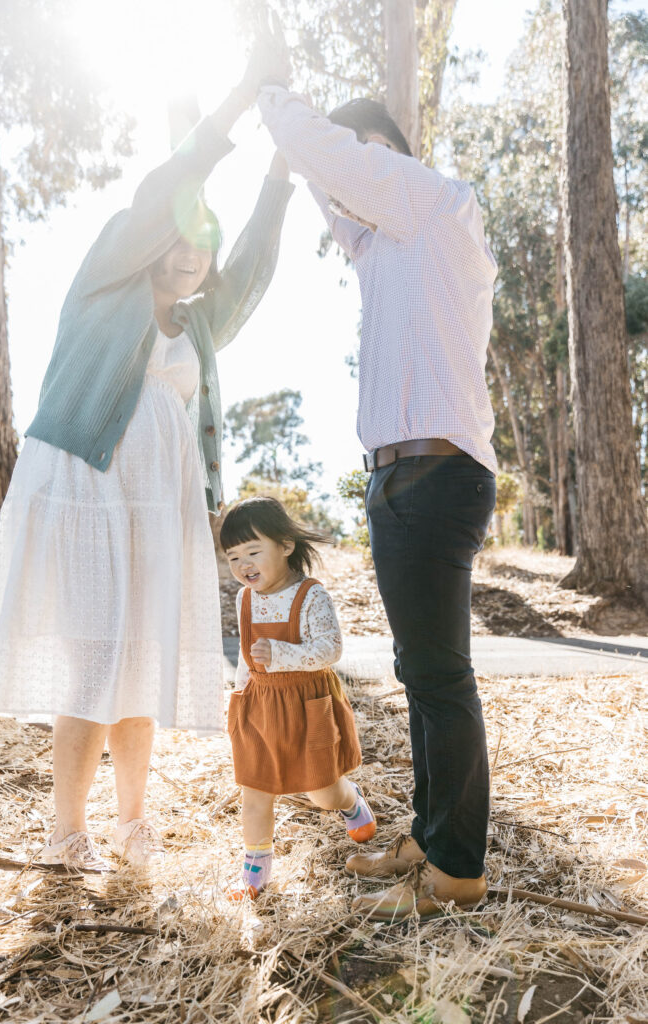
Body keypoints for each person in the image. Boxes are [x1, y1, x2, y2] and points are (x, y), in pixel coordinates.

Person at [0, 42, 295, 873]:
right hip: (85, 485)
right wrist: (235, 106)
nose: (191, 254)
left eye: (203, 246)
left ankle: (132, 823)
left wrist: (279, 176)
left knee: (140, 657)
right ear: (152, 239)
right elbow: (161, 195)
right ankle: (64, 832)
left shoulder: (201, 327)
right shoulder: (108, 278)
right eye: (180, 238)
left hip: (158, 503)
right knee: (99, 657)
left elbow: (249, 270)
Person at [255, 28, 498, 920]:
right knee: (422, 672)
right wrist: (305, 156)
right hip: (402, 481)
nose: (347, 182)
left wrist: (273, 96)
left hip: (434, 476)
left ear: (390, 155)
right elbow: (332, 189)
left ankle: (456, 872)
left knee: (439, 679)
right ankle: (433, 841)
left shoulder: (430, 202)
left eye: (362, 157)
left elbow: (334, 160)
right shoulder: (380, 246)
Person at [220, 497, 376, 899]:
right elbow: (247, 654)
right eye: (234, 556)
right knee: (255, 791)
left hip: (307, 704)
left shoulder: (310, 595)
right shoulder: (244, 598)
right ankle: (254, 876)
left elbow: (331, 648)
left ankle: (349, 800)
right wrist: (239, 695)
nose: (243, 565)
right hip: (259, 704)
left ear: (286, 545)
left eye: (253, 551)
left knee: (320, 791)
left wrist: (282, 654)